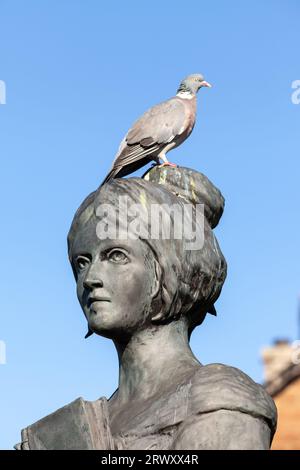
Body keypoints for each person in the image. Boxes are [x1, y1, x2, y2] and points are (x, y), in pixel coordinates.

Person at [17, 166, 276, 449]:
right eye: (82, 262)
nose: (90, 278)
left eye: (115, 255)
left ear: (169, 269)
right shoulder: (59, 433)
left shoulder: (218, 402)